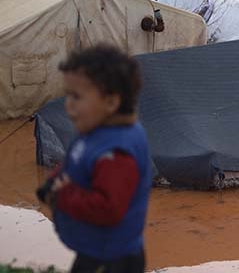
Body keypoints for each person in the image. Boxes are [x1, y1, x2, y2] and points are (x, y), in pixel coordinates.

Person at [36, 45, 152, 273]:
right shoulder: (96, 131)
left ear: (110, 102)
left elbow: (108, 208)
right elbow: (77, 160)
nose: (68, 105)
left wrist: (62, 196)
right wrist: (54, 180)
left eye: (76, 97)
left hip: (114, 259)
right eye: (67, 95)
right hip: (95, 250)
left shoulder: (117, 155)